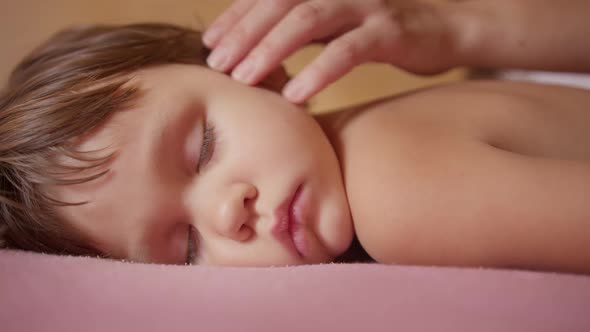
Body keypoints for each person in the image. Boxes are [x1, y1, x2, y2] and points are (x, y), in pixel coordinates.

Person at [0, 0, 589, 273]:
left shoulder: (393, 194)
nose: (228, 211)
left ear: (255, 66)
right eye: (185, 248)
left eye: (202, 147)